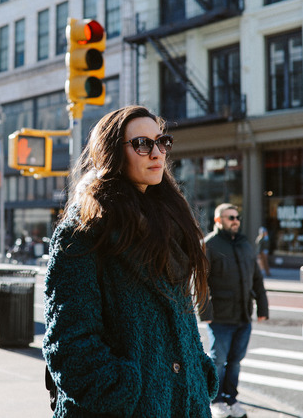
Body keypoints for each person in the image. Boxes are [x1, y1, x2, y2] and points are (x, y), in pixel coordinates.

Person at [43, 106, 218, 416]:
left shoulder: (169, 222)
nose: (156, 153)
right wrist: (126, 393)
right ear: (112, 153)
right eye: (142, 144)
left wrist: (199, 373)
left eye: (162, 141)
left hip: (184, 404)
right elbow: (68, 345)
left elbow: (181, 325)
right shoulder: (83, 232)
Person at [200, 203, 269, 418]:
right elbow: (200, 282)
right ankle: (216, 400)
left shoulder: (245, 244)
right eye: (230, 217)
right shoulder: (209, 245)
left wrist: (262, 307)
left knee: (235, 361)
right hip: (220, 316)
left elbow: (256, 278)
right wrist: (206, 313)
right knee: (218, 361)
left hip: (243, 314)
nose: (235, 220)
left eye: (237, 217)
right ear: (218, 220)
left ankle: (231, 398)